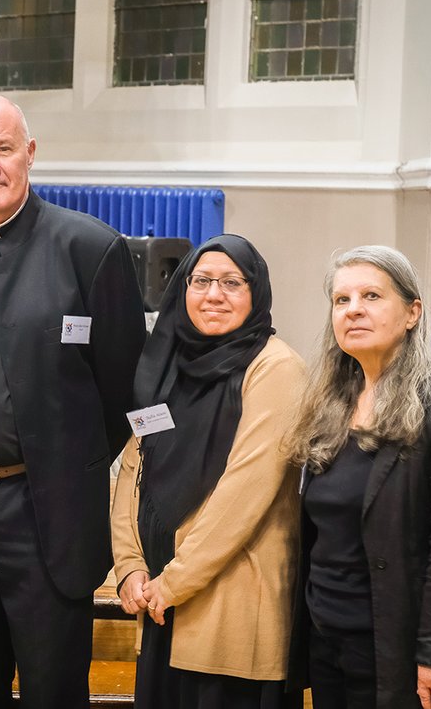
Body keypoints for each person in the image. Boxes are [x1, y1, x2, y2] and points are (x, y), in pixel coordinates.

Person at [0, 94, 146, 708]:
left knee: (53, 688)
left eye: (3, 149)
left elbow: (125, 387)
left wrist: (67, 463)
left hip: (47, 510)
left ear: (30, 154)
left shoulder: (91, 249)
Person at [286, 245, 431, 709]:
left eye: (371, 296)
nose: (354, 311)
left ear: (412, 312)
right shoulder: (329, 403)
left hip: (396, 644)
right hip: (327, 637)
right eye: (341, 300)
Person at [111, 234, 305, 708]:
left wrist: (173, 582)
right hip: (160, 603)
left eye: (231, 283)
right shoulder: (167, 364)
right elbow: (133, 466)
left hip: (229, 603)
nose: (213, 295)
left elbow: (246, 492)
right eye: (201, 281)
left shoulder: (276, 369)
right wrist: (129, 566)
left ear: (255, 293)